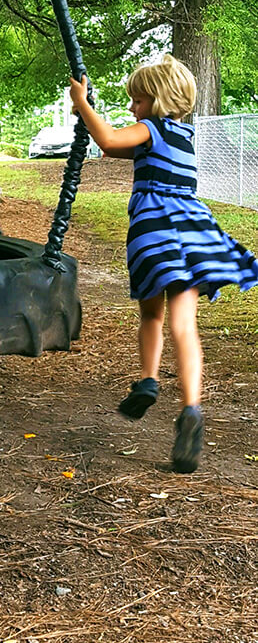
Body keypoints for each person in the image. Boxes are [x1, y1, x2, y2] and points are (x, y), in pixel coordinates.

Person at [69, 54, 258, 474]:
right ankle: (191, 408)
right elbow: (118, 149)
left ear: (155, 100)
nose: (133, 108)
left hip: (154, 231)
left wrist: (83, 104)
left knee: (151, 316)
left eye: (137, 101)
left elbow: (109, 142)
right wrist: (95, 120)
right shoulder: (185, 136)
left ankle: (149, 380)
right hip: (192, 231)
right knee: (184, 325)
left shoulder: (150, 128)